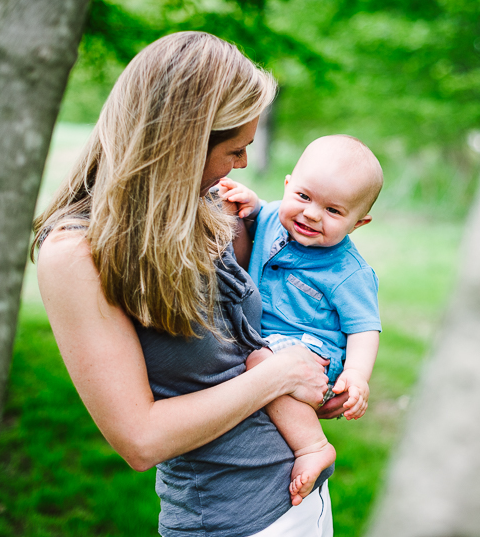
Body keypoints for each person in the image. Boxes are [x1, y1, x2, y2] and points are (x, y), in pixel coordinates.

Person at [33, 32, 336, 537]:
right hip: (228, 524)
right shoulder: (76, 254)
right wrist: (280, 375)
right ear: (182, 146)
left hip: (303, 503)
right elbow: (140, 439)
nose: (240, 164)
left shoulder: (203, 208)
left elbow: (234, 348)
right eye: (234, 149)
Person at [218, 134, 383, 506]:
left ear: (359, 222)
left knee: (262, 361)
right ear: (288, 186)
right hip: (273, 341)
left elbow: (364, 327)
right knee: (261, 357)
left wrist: (356, 376)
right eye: (304, 197)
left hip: (316, 354)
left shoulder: (347, 271)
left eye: (334, 211)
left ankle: (313, 447)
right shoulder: (276, 217)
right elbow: (263, 211)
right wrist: (253, 203)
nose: (310, 214)